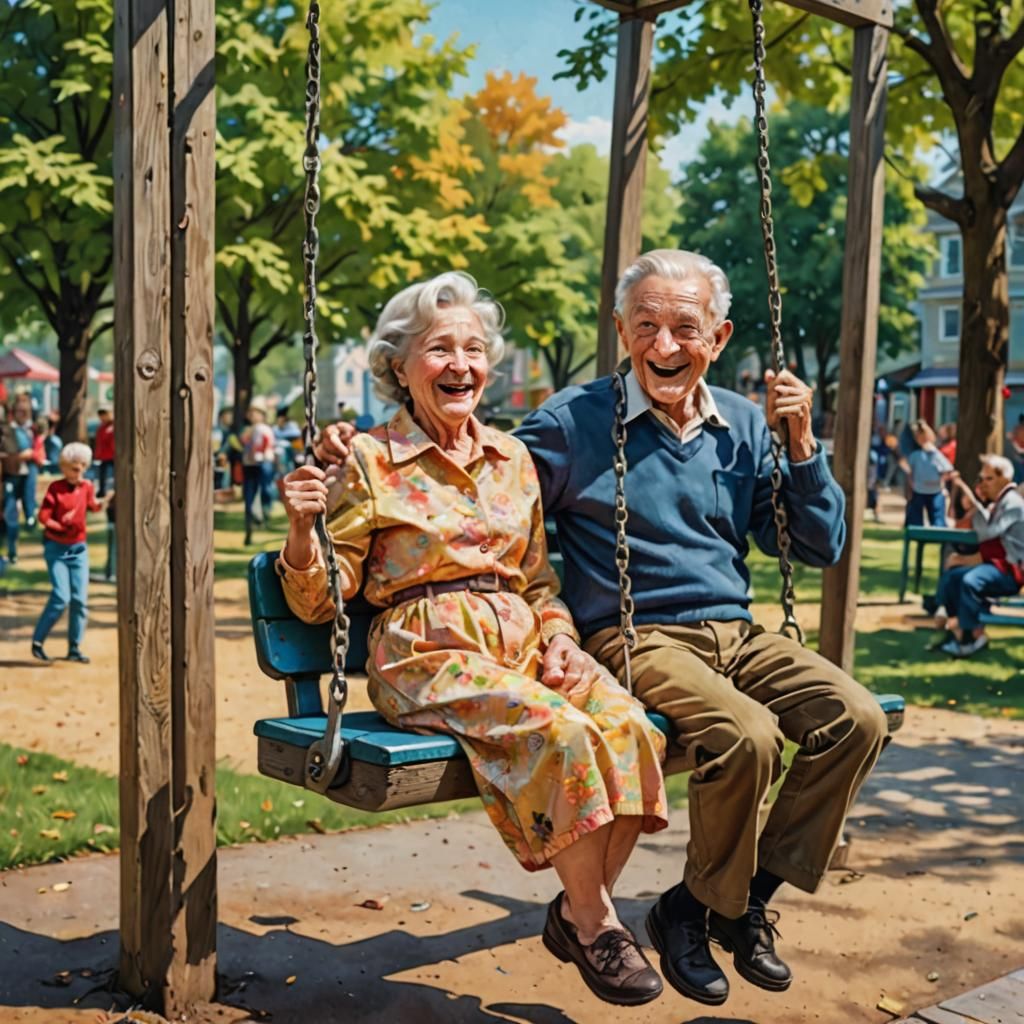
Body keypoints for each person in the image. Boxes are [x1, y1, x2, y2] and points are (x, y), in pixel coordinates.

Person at [317, 251, 888, 1006]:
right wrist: (357, 447)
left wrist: (802, 445)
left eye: (685, 328)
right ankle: (666, 916)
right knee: (745, 736)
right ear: (620, 330)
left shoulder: (746, 426)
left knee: (859, 719)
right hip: (635, 633)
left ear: (718, 338)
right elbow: (462, 459)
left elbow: (818, 546)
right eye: (644, 326)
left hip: (735, 633)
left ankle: (734, 900)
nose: (663, 346)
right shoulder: (572, 423)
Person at [281, 271, 668, 1006]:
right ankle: (594, 922)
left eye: (473, 348)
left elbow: (537, 580)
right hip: (425, 654)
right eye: (438, 349)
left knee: (630, 726)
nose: (460, 364)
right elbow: (318, 604)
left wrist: (559, 637)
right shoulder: (368, 460)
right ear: (399, 367)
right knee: (562, 732)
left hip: (520, 645)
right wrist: (304, 532)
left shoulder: (511, 460)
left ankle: (579, 912)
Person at [931, 454, 1024, 658]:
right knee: (951, 577)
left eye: (988, 479)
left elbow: (989, 532)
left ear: (1005, 480)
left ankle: (971, 637)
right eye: (981, 479)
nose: (983, 483)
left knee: (969, 580)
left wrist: (974, 501)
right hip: (997, 566)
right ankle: (959, 631)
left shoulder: (1013, 503)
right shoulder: (1000, 502)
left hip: (1011, 571)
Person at [31, 442, 112, 663]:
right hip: (56, 548)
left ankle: (74, 647)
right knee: (61, 596)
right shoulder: (55, 488)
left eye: (83, 467)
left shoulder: (86, 487)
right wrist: (59, 525)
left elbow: (92, 506)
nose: (80, 472)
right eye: (75, 468)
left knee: (79, 600)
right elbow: (44, 517)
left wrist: (104, 502)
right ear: (64, 467)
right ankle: (38, 641)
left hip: (78, 549)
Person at [4, 392, 41, 561]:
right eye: (20, 411)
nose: (23, 414)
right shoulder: (6, 429)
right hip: (11, 475)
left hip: (28, 474)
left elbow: (39, 452)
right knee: (11, 514)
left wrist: (32, 454)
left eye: (26, 411)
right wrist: (15, 456)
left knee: (28, 498)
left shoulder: (34, 429)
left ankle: (31, 515)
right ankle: (12, 550)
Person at [901, 419, 953, 527]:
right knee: (915, 519)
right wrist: (911, 486)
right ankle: (918, 537)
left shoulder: (935, 454)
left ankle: (940, 537)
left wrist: (941, 482)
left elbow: (948, 470)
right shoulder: (915, 455)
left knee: (937, 519)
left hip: (936, 491)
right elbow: (909, 472)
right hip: (918, 490)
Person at [240, 398, 277, 540]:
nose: (253, 416)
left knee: (266, 489)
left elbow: (268, 445)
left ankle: (265, 514)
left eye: (256, 413)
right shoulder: (247, 430)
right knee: (249, 494)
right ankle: (251, 521)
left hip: (263, 463)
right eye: (251, 413)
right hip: (249, 465)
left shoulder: (265, 429)